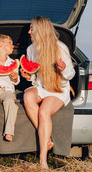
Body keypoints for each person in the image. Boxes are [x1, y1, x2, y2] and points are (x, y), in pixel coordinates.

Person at [20, 16, 75, 169]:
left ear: (41, 31)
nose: (29, 32)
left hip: (58, 89)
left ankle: (42, 160)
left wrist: (64, 69)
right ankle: (47, 137)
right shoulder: (31, 49)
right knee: (27, 96)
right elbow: (35, 75)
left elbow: (71, 74)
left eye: (32, 29)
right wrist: (28, 76)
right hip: (41, 87)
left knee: (43, 112)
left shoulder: (60, 47)